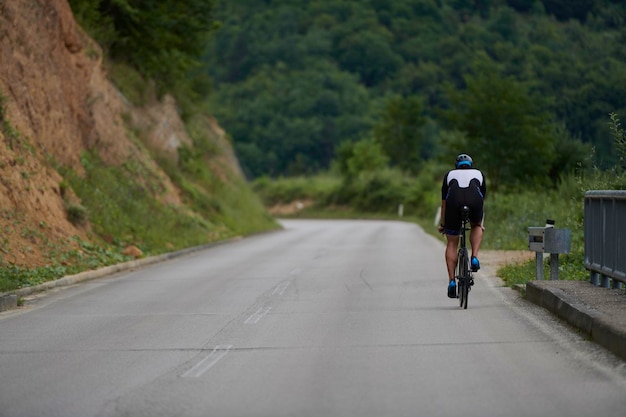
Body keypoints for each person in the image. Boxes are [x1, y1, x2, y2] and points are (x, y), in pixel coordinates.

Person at [438, 154, 486, 298]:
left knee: (452, 243)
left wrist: (443, 224)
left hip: (454, 202)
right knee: (476, 226)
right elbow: (481, 200)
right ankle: (474, 257)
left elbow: (444, 203)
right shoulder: (479, 173)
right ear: (470, 164)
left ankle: (452, 281)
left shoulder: (449, 175)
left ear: (456, 165)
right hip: (474, 201)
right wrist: (479, 224)